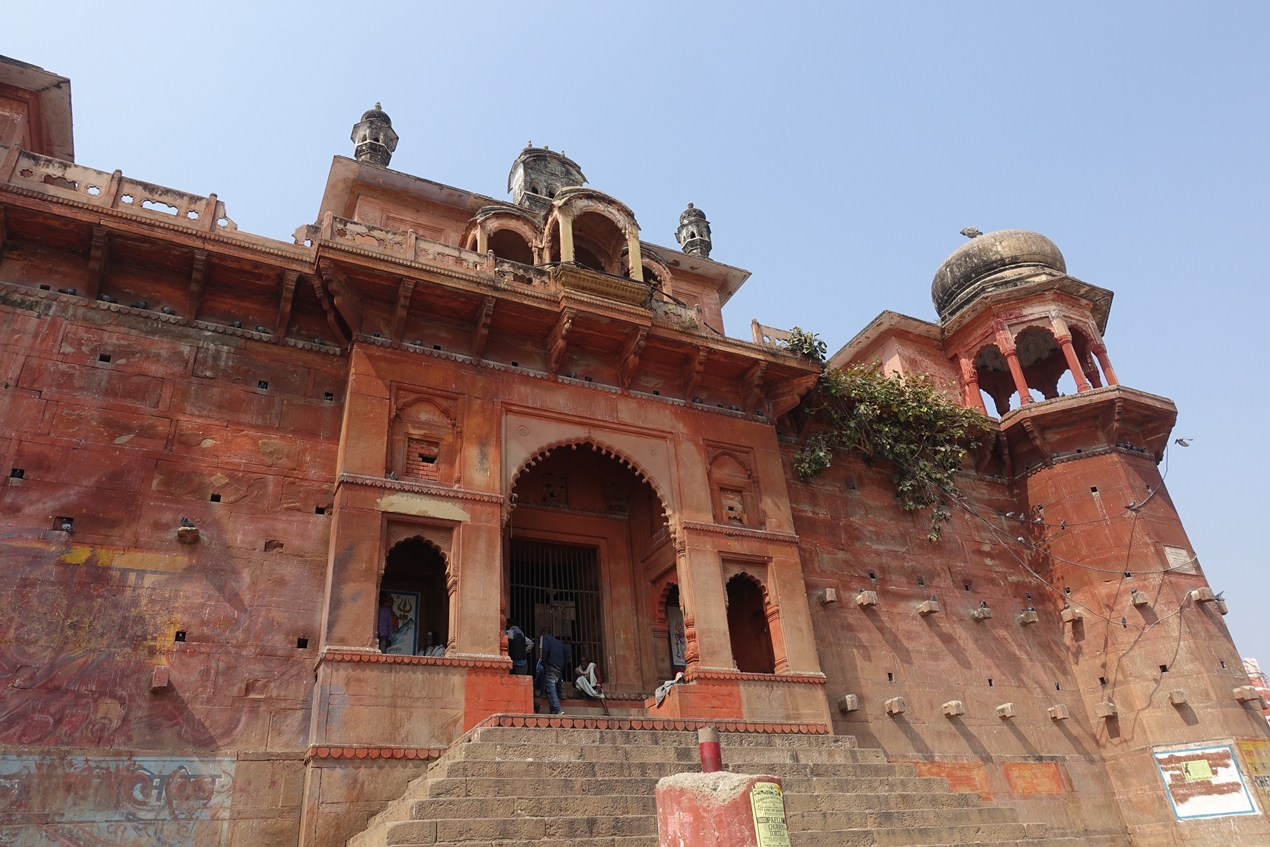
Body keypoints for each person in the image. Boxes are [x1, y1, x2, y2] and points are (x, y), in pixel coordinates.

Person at [538, 627, 571, 715]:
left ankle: (558, 709)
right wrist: (564, 664)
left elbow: (545, 650)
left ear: (544, 633)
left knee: (550, 687)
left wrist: (544, 662)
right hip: (559, 667)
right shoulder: (558, 642)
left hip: (551, 665)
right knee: (548, 688)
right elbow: (568, 651)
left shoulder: (545, 638)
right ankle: (552, 709)